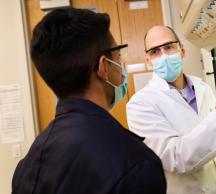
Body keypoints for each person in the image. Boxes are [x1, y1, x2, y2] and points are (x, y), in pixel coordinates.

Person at [12, 8, 166, 194]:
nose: (122, 65)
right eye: (118, 57)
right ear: (104, 67)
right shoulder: (136, 163)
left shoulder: (27, 166)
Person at [126, 25, 216, 194]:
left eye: (169, 47)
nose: (163, 55)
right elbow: (176, 159)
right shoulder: (140, 104)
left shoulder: (203, 87)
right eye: (155, 51)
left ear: (182, 51)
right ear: (148, 61)